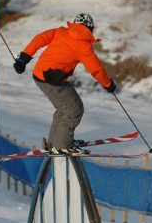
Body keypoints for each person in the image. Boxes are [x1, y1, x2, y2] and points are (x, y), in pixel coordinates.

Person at [13, 13, 116, 152]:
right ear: (90, 29)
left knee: (67, 107)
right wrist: (108, 84)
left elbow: (39, 39)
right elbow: (96, 69)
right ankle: (61, 146)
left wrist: (23, 58)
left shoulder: (61, 32)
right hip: (50, 80)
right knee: (74, 110)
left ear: (74, 23)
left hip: (42, 75)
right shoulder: (84, 47)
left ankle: (54, 143)